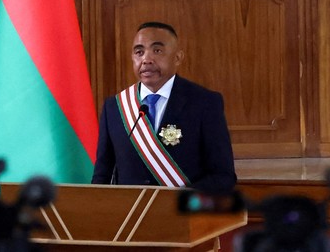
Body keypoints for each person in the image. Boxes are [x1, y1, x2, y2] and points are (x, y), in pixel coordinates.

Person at [91, 21, 236, 194]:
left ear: (177, 57)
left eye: (157, 51)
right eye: (139, 52)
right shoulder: (115, 108)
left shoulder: (204, 103)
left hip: (183, 216)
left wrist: (177, 201)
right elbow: (102, 176)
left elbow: (223, 176)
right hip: (129, 218)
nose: (146, 60)